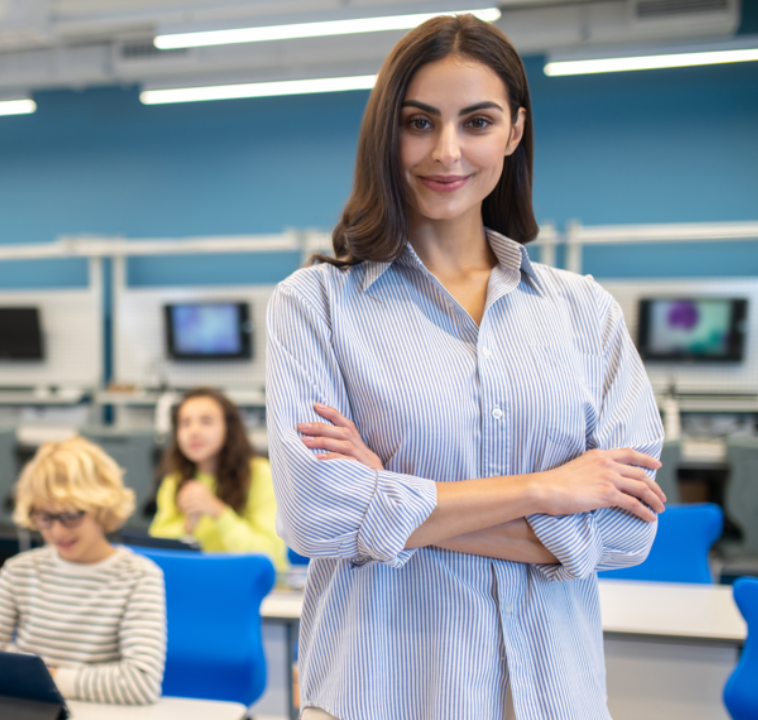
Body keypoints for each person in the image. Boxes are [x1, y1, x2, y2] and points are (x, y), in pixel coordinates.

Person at [266, 14, 668, 720]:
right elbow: (318, 516)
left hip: (554, 696)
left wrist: (388, 494)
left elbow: (628, 534)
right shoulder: (315, 305)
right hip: (382, 694)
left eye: (476, 123)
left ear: (514, 132)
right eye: (419, 123)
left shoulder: (583, 312)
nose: (446, 151)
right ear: (386, 132)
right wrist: (550, 490)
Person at [0, 436, 166, 705]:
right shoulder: (20, 570)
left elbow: (141, 683)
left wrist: (44, 678)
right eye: (45, 517)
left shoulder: (139, 576)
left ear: (101, 507)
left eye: (71, 515)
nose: (57, 531)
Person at [149, 387, 286, 569]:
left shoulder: (261, 474)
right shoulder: (174, 480)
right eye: (185, 423)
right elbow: (157, 548)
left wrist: (218, 511)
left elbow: (270, 555)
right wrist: (188, 527)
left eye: (206, 421)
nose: (194, 431)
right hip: (199, 582)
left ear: (228, 428)